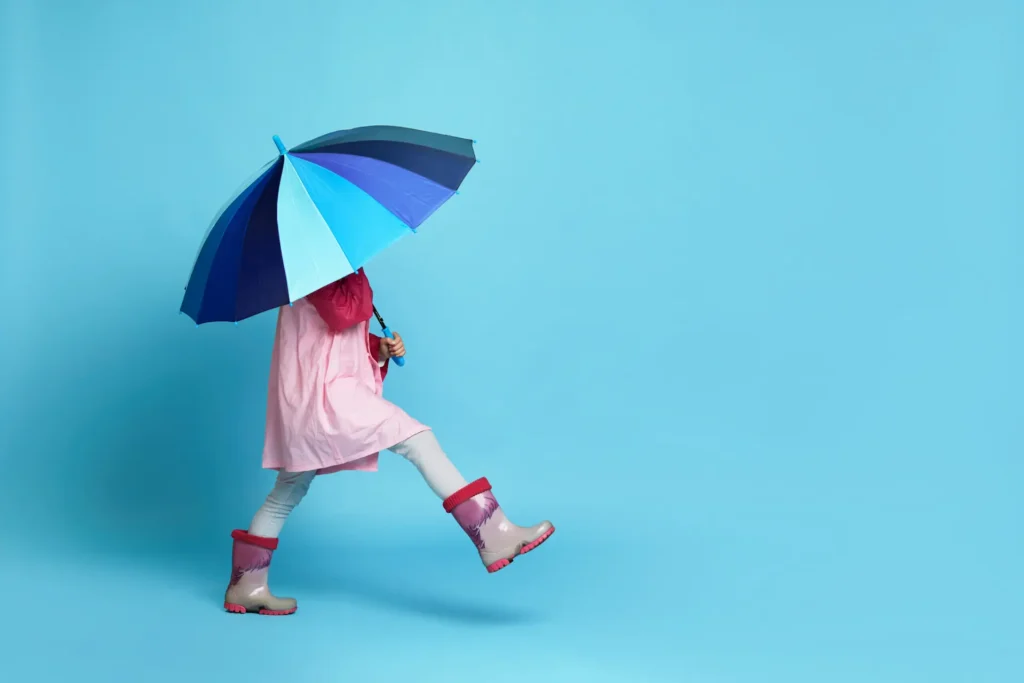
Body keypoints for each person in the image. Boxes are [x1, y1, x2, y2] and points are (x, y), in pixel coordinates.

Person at [224, 268, 554, 616]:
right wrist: (359, 276)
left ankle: (247, 585)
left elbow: (335, 338)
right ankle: (492, 533)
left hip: (315, 399)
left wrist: (377, 348)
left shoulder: (321, 273)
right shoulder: (313, 270)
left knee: (288, 490)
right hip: (327, 398)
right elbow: (342, 315)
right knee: (418, 439)